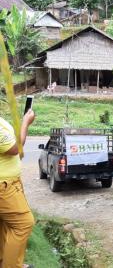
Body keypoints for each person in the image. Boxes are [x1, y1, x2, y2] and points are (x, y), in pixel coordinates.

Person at [0, 110, 35, 268]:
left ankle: (5, 261)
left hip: (8, 183)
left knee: (5, 224)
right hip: (4, 186)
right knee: (23, 223)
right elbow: (15, 148)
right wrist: (26, 123)